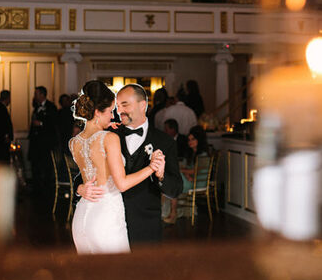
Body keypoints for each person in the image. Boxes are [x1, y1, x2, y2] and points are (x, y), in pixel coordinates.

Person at [77, 83, 182, 245]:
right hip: (108, 222)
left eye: (124, 105)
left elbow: (175, 189)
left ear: (143, 105)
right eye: (117, 106)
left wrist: (160, 176)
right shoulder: (107, 134)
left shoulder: (164, 141)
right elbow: (85, 170)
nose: (119, 111)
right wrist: (80, 188)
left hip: (146, 225)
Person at [163, 125, 210, 224]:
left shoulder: (203, 155)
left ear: (199, 140)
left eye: (193, 139)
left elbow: (194, 171)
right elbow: (189, 170)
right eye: (189, 140)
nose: (190, 142)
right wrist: (186, 173)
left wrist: (183, 172)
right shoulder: (192, 153)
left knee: (173, 182)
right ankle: (170, 212)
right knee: (172, 180)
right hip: (191, 180)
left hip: (198, 183)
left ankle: (173, 213)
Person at [28, 86, 59, 194]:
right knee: (36, 166)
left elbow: (54, 124)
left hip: (46, 144)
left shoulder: (51, 107)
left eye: (36, 94)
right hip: (36, 143)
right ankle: (37, 188)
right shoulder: (36, 107)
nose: (35, 96)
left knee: (46, 166)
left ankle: (46, 189)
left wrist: (41, 124)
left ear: (42, 94)